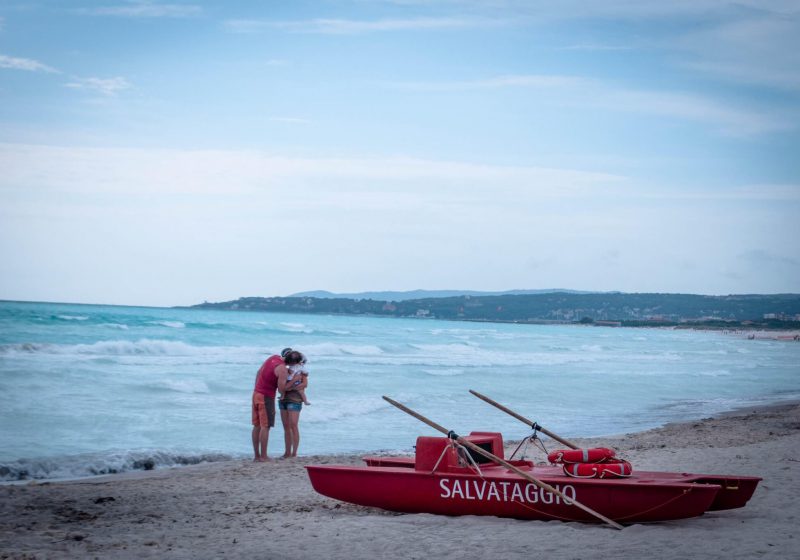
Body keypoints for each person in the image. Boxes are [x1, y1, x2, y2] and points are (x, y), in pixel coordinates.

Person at [251, 347, 298, 462]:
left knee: (257, 425)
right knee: (265, 426)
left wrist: (257, 387)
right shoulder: (282, 369)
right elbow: (282, 389)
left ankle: (257, 456)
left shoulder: (273, 357)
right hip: (266, 396)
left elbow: (258, 372)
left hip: (256, 393)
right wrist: (292, 382)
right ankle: (264, 456)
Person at [277, 349, 308, 458]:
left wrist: (289, 387)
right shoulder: (284, 369)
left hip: (295, 399)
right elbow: (280, 387)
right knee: (286, 427)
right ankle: (287, 452)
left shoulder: (300, 370)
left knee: (293, 426)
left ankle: (294, 453)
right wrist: (289, 386)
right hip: (283, 399)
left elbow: (304, 384)